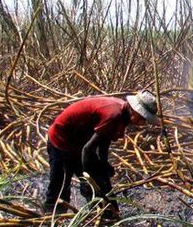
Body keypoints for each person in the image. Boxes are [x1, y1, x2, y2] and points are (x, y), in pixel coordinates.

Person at [44, 90, 159, 219]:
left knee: (99, 177)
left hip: (80, 141)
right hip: (62, 138)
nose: (143, 123)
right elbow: (88, 150)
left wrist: (104, 163)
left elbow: (104, 140)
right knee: (62, 181)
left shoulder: (122, 114)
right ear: (135, 110)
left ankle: (103, 213)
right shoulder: (114, 115)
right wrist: (89, 178)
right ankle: (51, 216)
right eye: (143, 118)